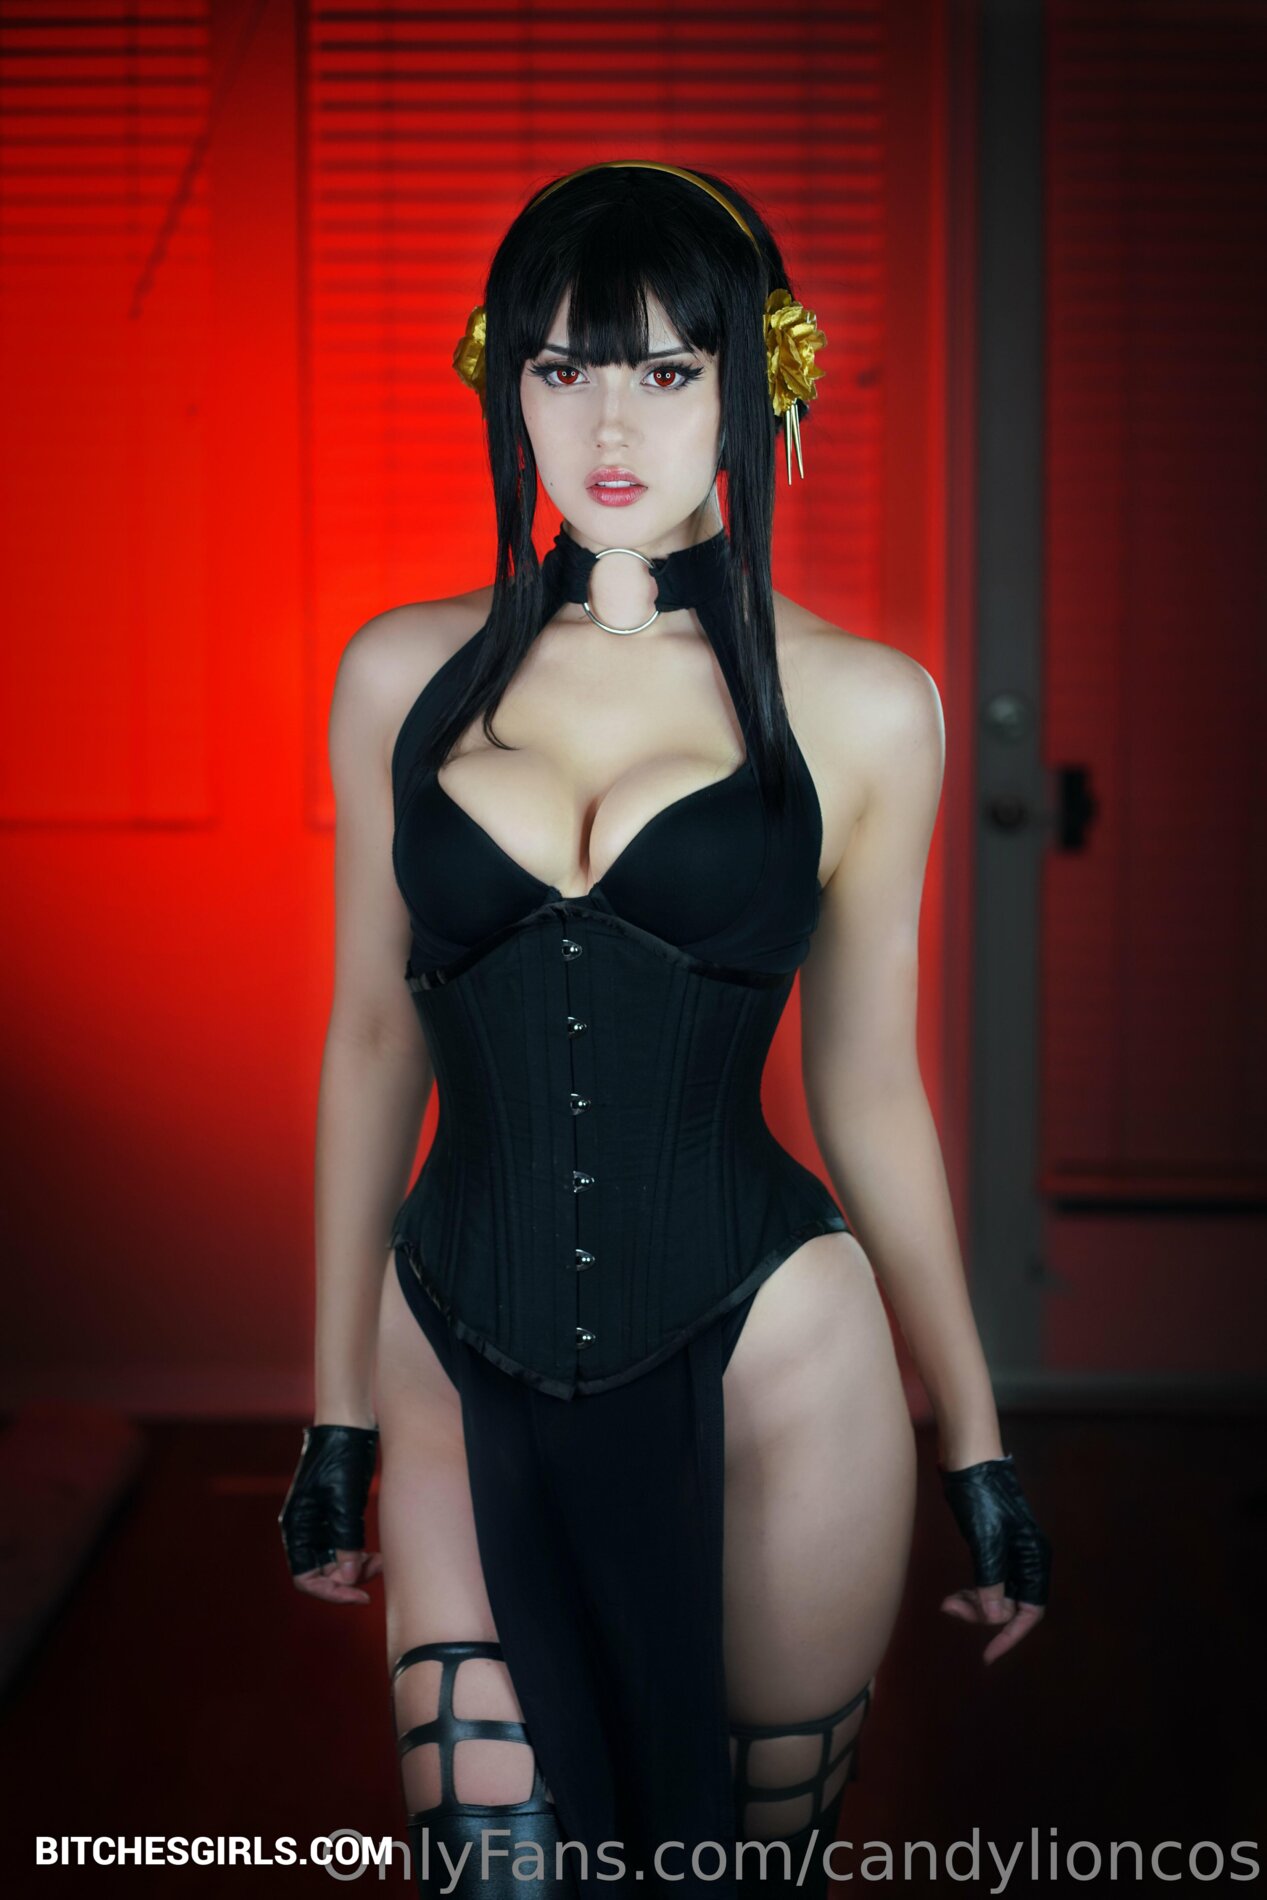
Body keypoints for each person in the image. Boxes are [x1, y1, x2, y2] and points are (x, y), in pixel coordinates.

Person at [278, 161, 1052, 1900]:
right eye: (561, 368)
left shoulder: (868, 709)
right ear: (506, 385)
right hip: (450, 1342)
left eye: (667, 369)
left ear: (756, 382)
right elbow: (372, 1046)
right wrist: (333, 1414)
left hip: (774, 1357)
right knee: (495, 1875)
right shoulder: (400, 676)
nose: (610, 423)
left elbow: (869, 1089)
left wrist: (978, 1439)